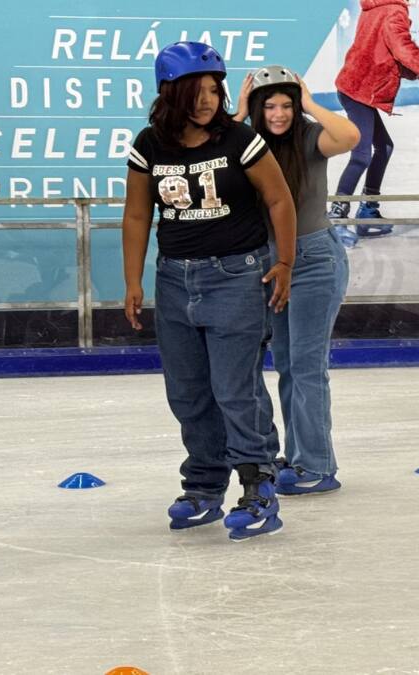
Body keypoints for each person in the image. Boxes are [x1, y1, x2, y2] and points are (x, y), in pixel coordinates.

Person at [121, 42, 296, 541]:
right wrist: (133, 280)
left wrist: (285, 262)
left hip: (236, 277)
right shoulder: (150, 144)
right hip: (174, 281)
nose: (207, 100)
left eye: (214, 90)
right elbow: (137, 215)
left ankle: (258, 486)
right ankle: (203, 486)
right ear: (170, 93)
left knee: (236, 390)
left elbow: (279, 199)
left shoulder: (239, 139)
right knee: (188, 392)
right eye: (197, 91)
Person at [235, 65, 361, 494]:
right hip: (273, 263)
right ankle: (300, 454)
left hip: (313, 260)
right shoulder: (247, 143)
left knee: (307, 366)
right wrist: (238, 115)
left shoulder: (309, 138)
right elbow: (211, 149)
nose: (279, 114)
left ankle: (318, 466)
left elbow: (350, 136)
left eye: (286, 105)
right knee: (288, 364)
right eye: (269, 106)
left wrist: (310, 103)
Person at [331, 0, 419, 243]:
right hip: (359, 92)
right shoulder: (394, 11)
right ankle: (336, 216)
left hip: (356, 87)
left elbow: (384, 53)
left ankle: (368, 210)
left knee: (384, 147)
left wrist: (416, 73)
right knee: (361, 155)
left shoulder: (376, 8)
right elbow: (403, 49)